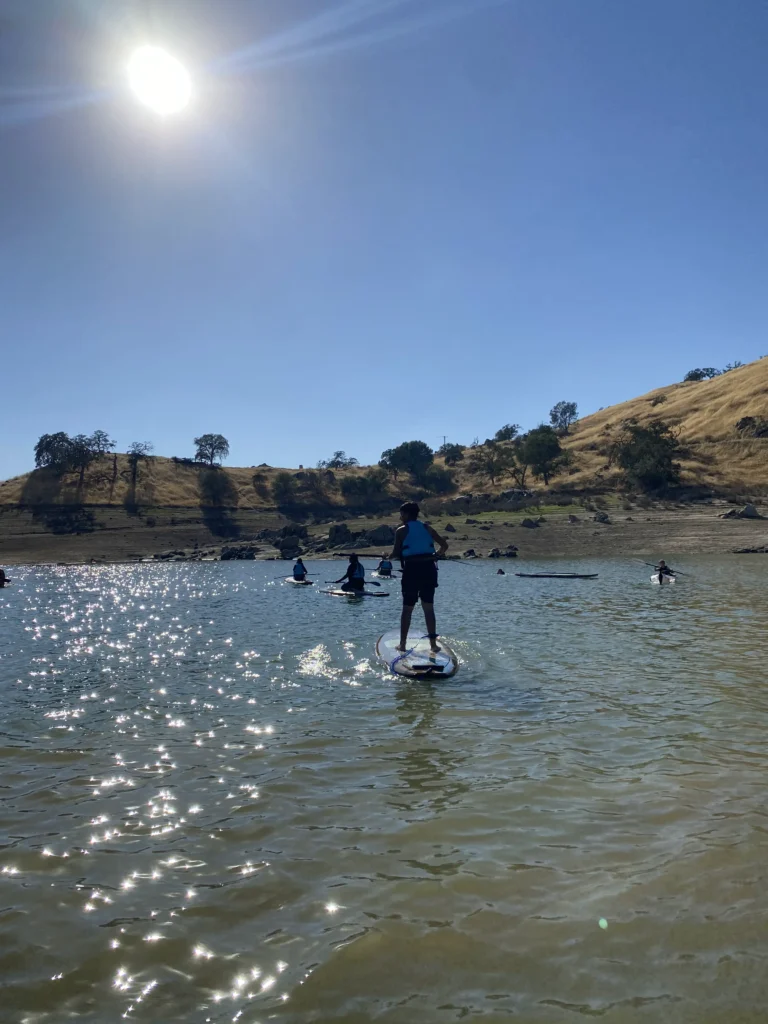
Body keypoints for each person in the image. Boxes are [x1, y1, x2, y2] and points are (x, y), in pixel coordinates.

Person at [388, 501, 448, 653]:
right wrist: (437, 555)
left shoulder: (401, 531)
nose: (400, 517)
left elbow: (395, 554)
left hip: (412, 571)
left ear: (407, 514)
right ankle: (433, 645)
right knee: (428, 608)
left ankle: (402, 644)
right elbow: (444, 546)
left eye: (401, 514)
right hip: (429, 570)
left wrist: (386, 557)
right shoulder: (427, 528)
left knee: (407, 609)